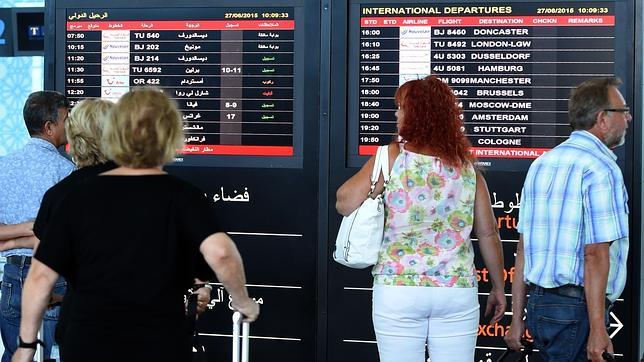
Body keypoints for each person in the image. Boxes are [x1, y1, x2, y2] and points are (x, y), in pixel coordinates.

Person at [12, 88, 259, 362]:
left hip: (88, 340)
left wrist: (26, 346)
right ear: (171, 136)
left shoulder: (74, 196)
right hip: (159, 342)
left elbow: (40, 276)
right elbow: (221, 253)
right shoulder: (183, 196)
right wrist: (243, 301)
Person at [336, 75, 506, 362]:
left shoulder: (390, 158)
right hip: (456, 289)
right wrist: (499, 287)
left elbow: (343, 202)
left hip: (398, 288)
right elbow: (488, 233)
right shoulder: (467, 167)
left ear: (417, 115)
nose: (396, 114)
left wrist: (377, 184)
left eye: (401, 107)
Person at [504, 77, 631, 362]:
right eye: (623, 111)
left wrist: (516, 319)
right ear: (603, 119)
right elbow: (596, 254)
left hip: (540, 307)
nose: (629, 118)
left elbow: (523, 249)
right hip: (577, 310)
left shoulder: (542, 164)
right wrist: (598, 330)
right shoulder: (601, 169)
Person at [0, 91, 75, 362]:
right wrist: (34, 228)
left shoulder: (2, 166)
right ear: (49, 127)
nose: (72, 125)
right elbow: (64, 237)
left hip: (11, 279)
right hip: (53, 280)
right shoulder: (65, 172)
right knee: (51, 356)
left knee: (15, 354)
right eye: (67, 118)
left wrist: (19, 233)